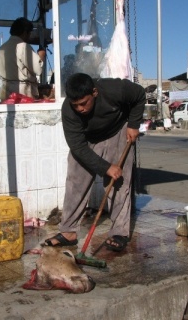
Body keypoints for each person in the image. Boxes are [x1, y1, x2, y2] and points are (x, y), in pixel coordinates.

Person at [44, 73, 145, 252]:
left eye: (84, 103)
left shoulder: (115, 89)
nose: (80, 109)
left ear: (95, 92)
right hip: (88, 139)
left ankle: (119, 232)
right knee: (76, 182)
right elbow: (78, 147)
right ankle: (68, 232)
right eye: (76, 105)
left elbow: (139, 94)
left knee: (120, 183)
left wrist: (134, 124)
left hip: (118, 131)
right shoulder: (68, 110)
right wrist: (106, 167)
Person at [0, 17, 46, 101]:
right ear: (25, 32)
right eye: (29, 33)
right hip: (23, 93)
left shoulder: (1, 49)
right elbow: (38, 69)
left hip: (7, 93)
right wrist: (41, 55)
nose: (29, 37)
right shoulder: (22, 46)